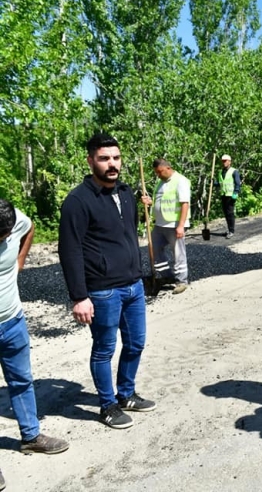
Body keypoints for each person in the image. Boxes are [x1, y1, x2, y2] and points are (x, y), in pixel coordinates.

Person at [59, 132, 156, 430]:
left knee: (136, 343)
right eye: (104, 159)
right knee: (104, 349)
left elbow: (123, 234)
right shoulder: (78, 200)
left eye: (115, 157)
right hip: (102, 290)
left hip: (133, 284)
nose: (111, 164)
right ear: (90, 161)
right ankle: (107, 405)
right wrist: (79, 296)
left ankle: (126, 394)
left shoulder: (126, 193)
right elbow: (69, 249)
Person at [0, 199, 69, 489]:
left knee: (22, 381)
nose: (3, 240)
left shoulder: (14, 219)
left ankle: (31, 437)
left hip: (13, 321)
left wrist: (19, 262)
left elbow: (29, 228)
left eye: (4, 236)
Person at [141, 158, 191, 294]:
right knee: (154, 248)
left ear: (168, 168)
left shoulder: (181, 181)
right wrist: (149, 201)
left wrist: (181, 226)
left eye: (159, 172)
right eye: (156, 173)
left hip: (174, 224)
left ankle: (181, 281)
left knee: (178, 252)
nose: (158, 175)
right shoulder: (161, 182)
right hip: (160, 223)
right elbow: (161, 201)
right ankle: (166, 276)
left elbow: (184, 204)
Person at [215, 154, 241, 239]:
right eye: (222, 161)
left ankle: (231, 231)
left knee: (230, 213)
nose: (224, 162)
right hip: (223, 195)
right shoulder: (220, 172)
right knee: (226, 213)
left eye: (225, 161)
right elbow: (221, 183)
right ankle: (229, 229)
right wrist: (215, 183)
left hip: (231, 195)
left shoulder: (234, 171)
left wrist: (236, 192)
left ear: (229, 162)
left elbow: (237, 183)